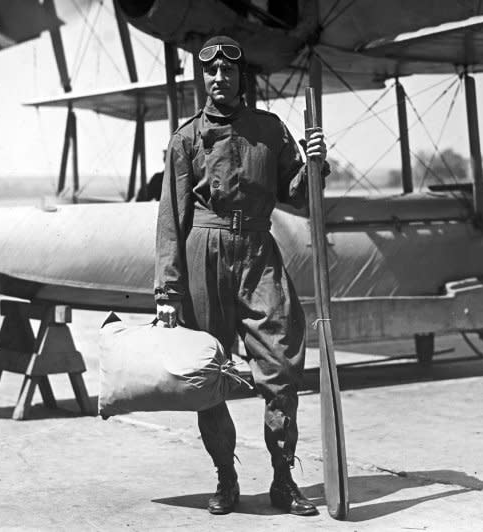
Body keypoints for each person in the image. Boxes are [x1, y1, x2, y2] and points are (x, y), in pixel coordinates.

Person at [154, 35, 327, 516]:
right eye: (210, 73)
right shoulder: (185, 139)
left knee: (281, 364)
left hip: (257, 251)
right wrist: (168, 290)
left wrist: (313, 164)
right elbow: (171, 217)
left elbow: (296, 192)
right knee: (207, 372)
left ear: (240, 78)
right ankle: (226, 477)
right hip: (202, 256)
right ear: (202, 78)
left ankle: (282, 477)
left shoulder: (270, 130)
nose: (218, 80)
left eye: (228, 72)